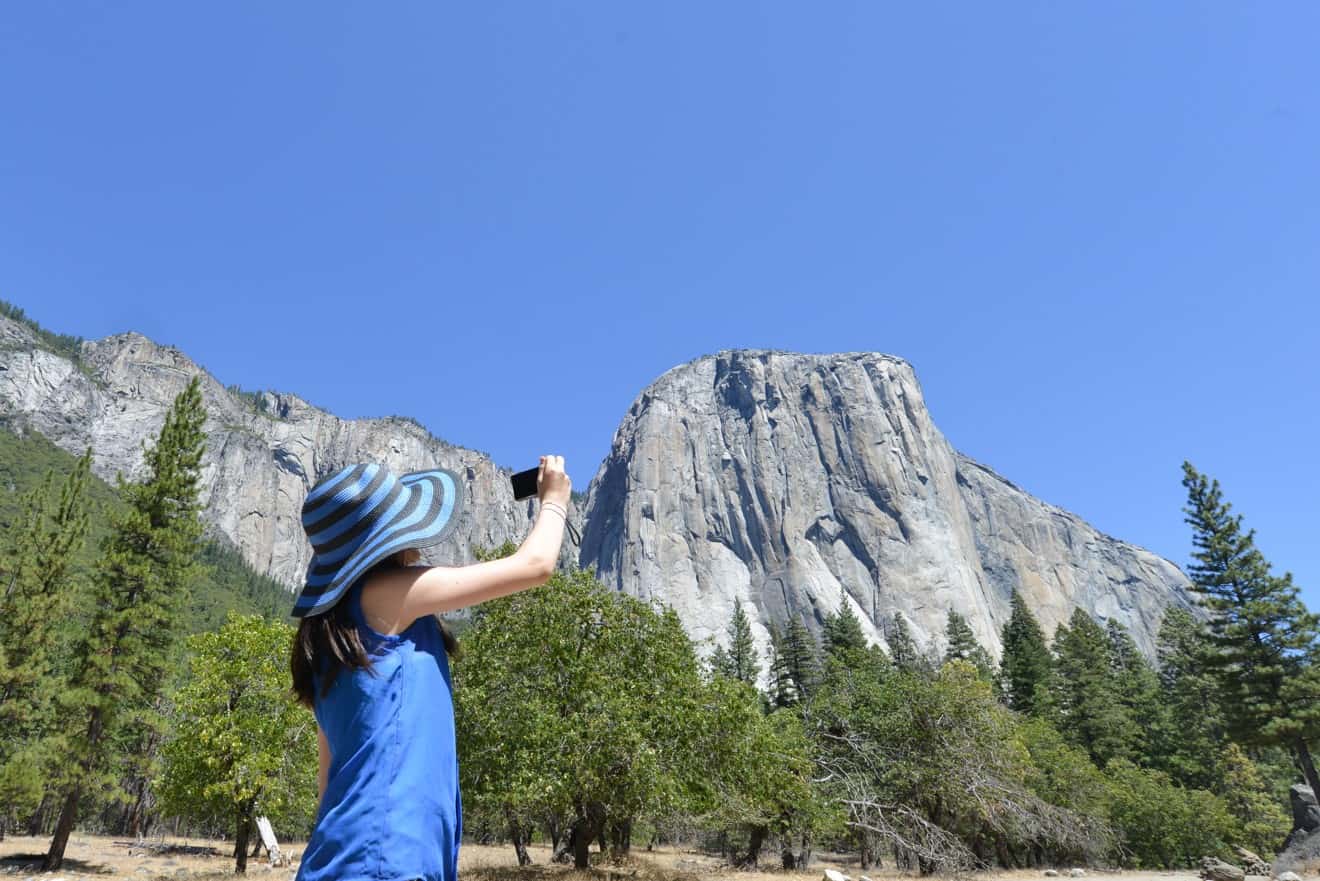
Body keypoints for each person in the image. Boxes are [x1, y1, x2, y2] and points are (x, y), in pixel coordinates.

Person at [288, 454, 572, 881]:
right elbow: (535, 566)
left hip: (349, 856)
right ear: (389, 540)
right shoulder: (384, 595)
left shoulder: (326, 639)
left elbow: (329, 779)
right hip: (390, 856)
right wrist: (554, 499)